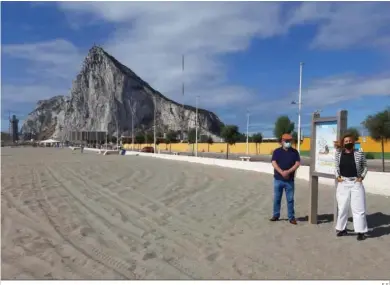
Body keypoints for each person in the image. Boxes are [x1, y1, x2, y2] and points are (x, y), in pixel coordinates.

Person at [334, 134, 368, 241]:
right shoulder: (338, 154)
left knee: (358, 208)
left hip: (356, 182)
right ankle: (341, 229)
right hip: (343, 182)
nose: (348, 142)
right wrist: (337, 177)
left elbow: (365, 167)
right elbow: (335, 167)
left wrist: (361, 177)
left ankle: (360, 231)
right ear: (343, 143)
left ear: (353, 142)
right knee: (342, 207)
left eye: (349, 141)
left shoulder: (359, 153)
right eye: (346, 141)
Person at [270, 133, 301, 224]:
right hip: (278, 179)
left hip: (290, 180)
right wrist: (281, 172)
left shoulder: (295, 152)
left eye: (289, 141)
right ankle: (276, 215)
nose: (288, 142)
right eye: (286, 141)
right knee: (277, 199)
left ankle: (291, 217)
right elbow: (274, 162)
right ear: (282, 141)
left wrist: (288, 172)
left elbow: (297, 163)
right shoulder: (276, 152)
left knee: (290, 199)